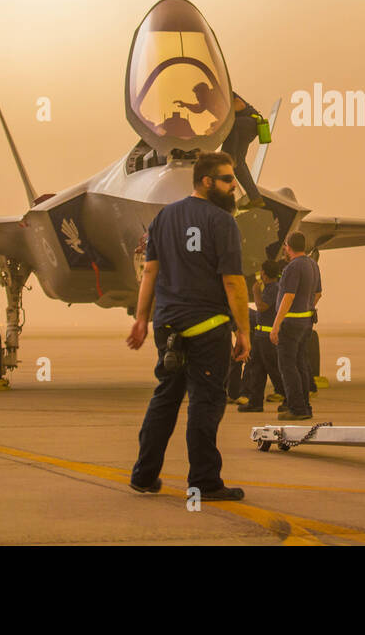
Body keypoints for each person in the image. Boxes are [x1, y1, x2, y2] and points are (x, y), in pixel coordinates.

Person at [127, 151, 250, 501]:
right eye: (228, 180)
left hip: (167, 327)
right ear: (207, 182)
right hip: (207, 327)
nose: (234, 187)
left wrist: (141, 319)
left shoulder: (163, 217)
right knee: (205, 403)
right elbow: (233, 282)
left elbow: (149, 272)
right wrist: (243, 331)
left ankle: (144, 475)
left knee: (165, 399)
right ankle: (205, 482)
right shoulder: (223, 222)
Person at [174, 87, 266, 208]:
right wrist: (185, 104)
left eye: (199, 96)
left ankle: (226, 163)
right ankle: (256, 199)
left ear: (206, 92)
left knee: (226, 158)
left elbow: (240, 104)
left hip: (249, 123)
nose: (198, 100)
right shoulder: (205, 101)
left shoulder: (218, 93)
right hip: (240, 129)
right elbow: (198, 109)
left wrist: (223, 119)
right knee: (238, 164)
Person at [270, 231, 322, 422]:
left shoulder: (292, 267)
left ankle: (297, 408)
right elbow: (318, 294)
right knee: (301, 364)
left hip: (290, 324)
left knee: (288, 366)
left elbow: (288, 296)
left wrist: (276, 325)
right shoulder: (312, 265)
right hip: (305, 323)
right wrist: (307, 308)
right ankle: (305, 406)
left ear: (288, 246)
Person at [237, 260, 285, 413]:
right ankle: (255, 401)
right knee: (256, 370)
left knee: (274, 370)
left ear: (265, 273)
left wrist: (255, 292)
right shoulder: (270, 288)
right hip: (259, 335)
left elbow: (262, 307)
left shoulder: (274, 288)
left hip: (267, 337)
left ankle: (288, 398)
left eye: (262, 271)